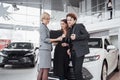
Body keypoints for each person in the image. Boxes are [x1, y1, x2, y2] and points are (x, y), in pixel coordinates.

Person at [37, 12, 62, 80]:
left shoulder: (44, 27)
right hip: (45, 50)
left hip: (45, 50)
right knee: (45, 69)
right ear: (42, 19)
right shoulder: (43, 27)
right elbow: (45, 39)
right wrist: (56, 39)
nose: (48, 20)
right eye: (47, 19)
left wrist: (53, 42)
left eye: (49, 19)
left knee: (42, 69)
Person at [66, 13, 90, 80]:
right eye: (67, 20)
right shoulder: (70, 30)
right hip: (73, 52)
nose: (68, 21)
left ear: (75, 20)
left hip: (79, 52)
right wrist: (69, 49)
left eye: (70, 20)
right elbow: (71, 41)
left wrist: (77, 37)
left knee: (77, 71)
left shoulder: (79, 26)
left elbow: (87, 35)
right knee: (75, 71)